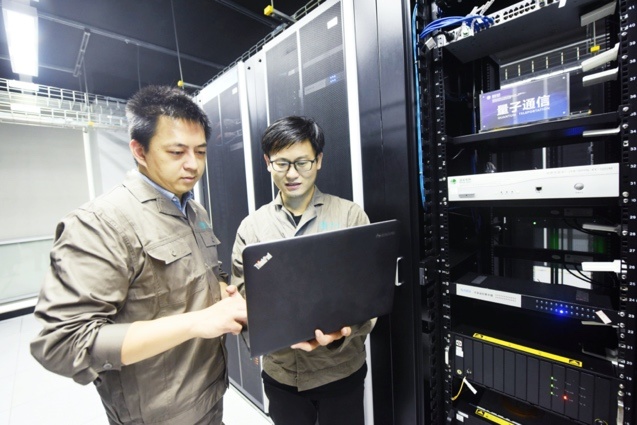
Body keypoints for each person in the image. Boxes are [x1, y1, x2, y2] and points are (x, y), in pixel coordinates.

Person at [30, 85, 247, 425]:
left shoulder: (195, 211)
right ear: (139, 150)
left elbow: (192, 278)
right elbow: (63, 343)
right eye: (177, 152)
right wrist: (197, 321)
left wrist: (218, 290)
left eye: (200, 152)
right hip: (157, 413)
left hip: (208, 393)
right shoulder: (102, 223)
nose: (192, 165)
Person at [231, 115, 374, 425]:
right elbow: (242, 297)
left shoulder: (349, 216)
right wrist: (255, 337)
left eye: (302, 162)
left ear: (318, 160)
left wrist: (342, 334)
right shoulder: (252, 228)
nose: (292, 174)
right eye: (281, 163)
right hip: (282, 375)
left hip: (341, 371)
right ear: (267, 163)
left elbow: (370, 296)